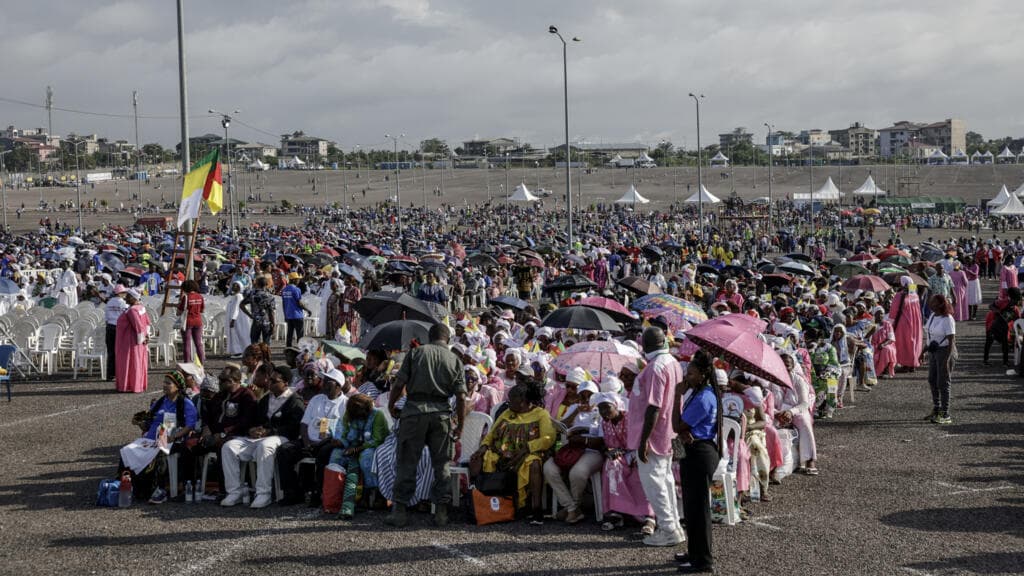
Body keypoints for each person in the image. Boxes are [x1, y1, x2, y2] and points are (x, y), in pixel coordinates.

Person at [385, 323, 467, 527]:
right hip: (441, 415)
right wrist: (460, 425)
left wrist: (391, 404)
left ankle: (400, 511)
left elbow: (399, 384)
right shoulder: (455, 360)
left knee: (407, 461)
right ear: (448, 339)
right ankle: (441, 512)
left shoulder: (415, 353)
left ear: (430, 337)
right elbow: (461, 397)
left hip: (414, 412)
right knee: (442, 465)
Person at [629, 327, 685, 547]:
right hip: (667, 431)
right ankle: (674, 526)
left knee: (655, 483)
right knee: (666, 480)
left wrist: (644, 440)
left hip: (654, 435)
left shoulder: (656, 367)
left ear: (645, 345)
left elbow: (654, 406)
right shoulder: (672, 362)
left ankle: (668, 529)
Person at [469, 381, 555, 525]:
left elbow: (548, 438)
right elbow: (491, 435)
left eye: (511, 400)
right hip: (502, 453)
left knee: (533, 463)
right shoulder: (507, 413)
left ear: (523, 401)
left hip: (528, 453)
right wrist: (482, 448)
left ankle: (536, 509)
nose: (508, 403)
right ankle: (490, 505)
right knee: (483, 458)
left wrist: (526, 448)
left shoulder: (540, 414)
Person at [220, 365, 305, 509]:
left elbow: (294, 428)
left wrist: (270, 432)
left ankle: (263, 493)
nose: (269, 383)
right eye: (270, 379)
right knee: (229, 447)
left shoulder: (294, 400)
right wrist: (252, 430)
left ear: (285, 383)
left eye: (274, 381)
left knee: (265, 446)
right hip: (261, 437)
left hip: (282, 437)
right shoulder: (266, 399)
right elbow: (255, 420)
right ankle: (235, 491)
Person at [671, 350, 719, 574]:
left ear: (703, 374)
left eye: (691, 373)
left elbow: (677, 425)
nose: (686, 377)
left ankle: (703, 560)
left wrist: (676, 396)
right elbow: (683, 428)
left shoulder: (704, 397)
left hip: (700, 453)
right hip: (692, 450)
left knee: (699, 509)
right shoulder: (700, 392)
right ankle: (694, 552)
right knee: (691, 507)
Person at [120, 371, 198, 504]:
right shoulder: (160, 402)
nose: (164, 385)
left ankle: (159, 489)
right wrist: (139, 423)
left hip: (173, 439)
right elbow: (148, 424)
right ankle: (129, 487)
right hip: (151, 439)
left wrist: (174, 436)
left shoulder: (185, 403)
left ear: (177, 386)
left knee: (160, 453)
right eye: (164, 382)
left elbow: (190, 426)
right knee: (127, 451)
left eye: (168, 383)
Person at [276, 367, 350, 506]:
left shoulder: (345, 404)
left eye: (329, 381)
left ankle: (318, 493)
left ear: (338, 385)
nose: (324, 383)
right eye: (324, 380)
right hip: (308, 441)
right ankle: (292, 492)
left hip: (329, 442)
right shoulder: (316, 399)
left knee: (324, 453)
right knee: (284, 450)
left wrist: (319, 444)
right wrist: (307, 442)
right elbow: (304, 424)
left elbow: (342, 432)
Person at [543, 380, 605, 524]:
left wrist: (585, 435)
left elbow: (603, 438)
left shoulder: (602, 409)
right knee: (549, 468)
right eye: (582, 396)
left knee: (577, 472)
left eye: (590, 396)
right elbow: (562, 426)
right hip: (572, 448)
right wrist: (576, 412)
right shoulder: (574, 408)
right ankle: (572, 508)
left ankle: (572, 508)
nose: (586, 399)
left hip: (592, 450)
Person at [593, 392, 654, 535]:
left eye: (607, 407)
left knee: (639, 470)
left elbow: (643, 438)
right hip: (623, 454)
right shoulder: (605, 422)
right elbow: (609, 444)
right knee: (611, 465)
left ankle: (649, 516)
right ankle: (616, 512)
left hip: (640, 450)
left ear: (617, 406)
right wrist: (610, 451)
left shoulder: (630, 418)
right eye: (600, 409)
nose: (603, 412)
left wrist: (637, 452)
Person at [327, 393, 389, 518]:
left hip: (372, 447)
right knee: (336, 455)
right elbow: (344, 435)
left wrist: (357, 449)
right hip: (352, 446)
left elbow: (378, 439)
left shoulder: (377, 415)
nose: (359, 414)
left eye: (361, 411)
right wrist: (340, 442)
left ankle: (371, 494)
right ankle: (335, 495)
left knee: (366, 457)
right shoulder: (349, 414)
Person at [922, 294, 956, 424]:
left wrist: (947, 360)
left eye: (934, 302)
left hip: (945, 352)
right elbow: (930, 337)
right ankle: (936, 409)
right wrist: (923, 351)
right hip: (933, 351)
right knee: (932, 380)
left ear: (941, 304)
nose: (931, 304)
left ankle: (945, 414)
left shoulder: (947, 319)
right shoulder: (932, 316)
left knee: (943, 382)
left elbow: (951, 340)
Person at [115, 289, 150, 393]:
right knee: (137, 362)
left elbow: (138, 326)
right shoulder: (141, 308)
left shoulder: (132, 310)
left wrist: (142, 338)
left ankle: (130, 385)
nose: (126, 298)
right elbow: (147, 323)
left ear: (133, 298)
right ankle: (137, 384)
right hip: (137, 341)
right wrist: (146, 336)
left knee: (129, 363)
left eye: (128, 296)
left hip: (130, 341)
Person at [889, 276, 922, 372]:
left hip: (903, 322)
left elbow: (894, 311)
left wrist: (890, 323)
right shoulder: (914, 294)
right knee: (914, 342)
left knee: (904, 343)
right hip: (916, 322)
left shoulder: (899, 295)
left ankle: (906, 364)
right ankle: (912, 364)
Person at [984, 287, 1021, 368]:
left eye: (1017, 301)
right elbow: (990, 306)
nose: (1016, 302)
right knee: (989, 341)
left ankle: (1005, 362)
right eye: (1015, 300)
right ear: (1011, 298)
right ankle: (985, 360)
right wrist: (997, 311)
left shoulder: (1016, 309)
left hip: (1004, 327)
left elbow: (1018, 321)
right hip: (993, 324)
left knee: (1005, 343)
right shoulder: (1003, 302)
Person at [177, 280, 206, 365]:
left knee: (187, 343)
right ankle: (201, 363)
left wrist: (179, 305)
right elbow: (202, 310)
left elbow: (179, 312)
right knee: (198, 343)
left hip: (187, 322)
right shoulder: (200, 296)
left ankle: (187, 363)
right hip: (198, 321)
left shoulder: (186, 297)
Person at [104, 284, 129, 382]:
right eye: (124, 292)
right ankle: (118, 373)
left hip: (109, 327)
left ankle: (110, 374)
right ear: (120, 293)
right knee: (119, 352)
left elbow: (106, 317)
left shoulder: (109, 302)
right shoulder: (123, 303)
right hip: (119, 328)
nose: (125, 294)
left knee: (110, 352)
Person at [241, 276, 276, 345]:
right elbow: (271, 312)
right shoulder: (270, 296)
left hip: (256, 321)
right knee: (266, 344)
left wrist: (250, 315)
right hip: (266, 322)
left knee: (254, 344)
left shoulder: (252, 294)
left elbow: (241, 305)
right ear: (266, 284)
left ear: (257, 284)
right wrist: (273, 325)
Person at [281, 274, 311, 349]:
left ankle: (288, 348)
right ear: (294, 280)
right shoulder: (296, 289)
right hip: (297, 315)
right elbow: (299, 303)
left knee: (289, 333)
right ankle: (300, 348)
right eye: (298, 279)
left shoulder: (284, 290)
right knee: (300, 333)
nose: (299, 280)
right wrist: (307, 310)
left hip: (288, 315)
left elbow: (283, 304)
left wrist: (285, 315)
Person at [225, 281, 251, 358]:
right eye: (233, 285)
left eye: (237, 286)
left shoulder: (238, 296)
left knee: (238, 334)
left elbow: (236, 308)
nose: (234, 287)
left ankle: (238, 352)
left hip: (237, 319)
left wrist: (233, 319)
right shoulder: (234, 296)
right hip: (235, 318)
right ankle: (237, 351)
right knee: (236, 334)